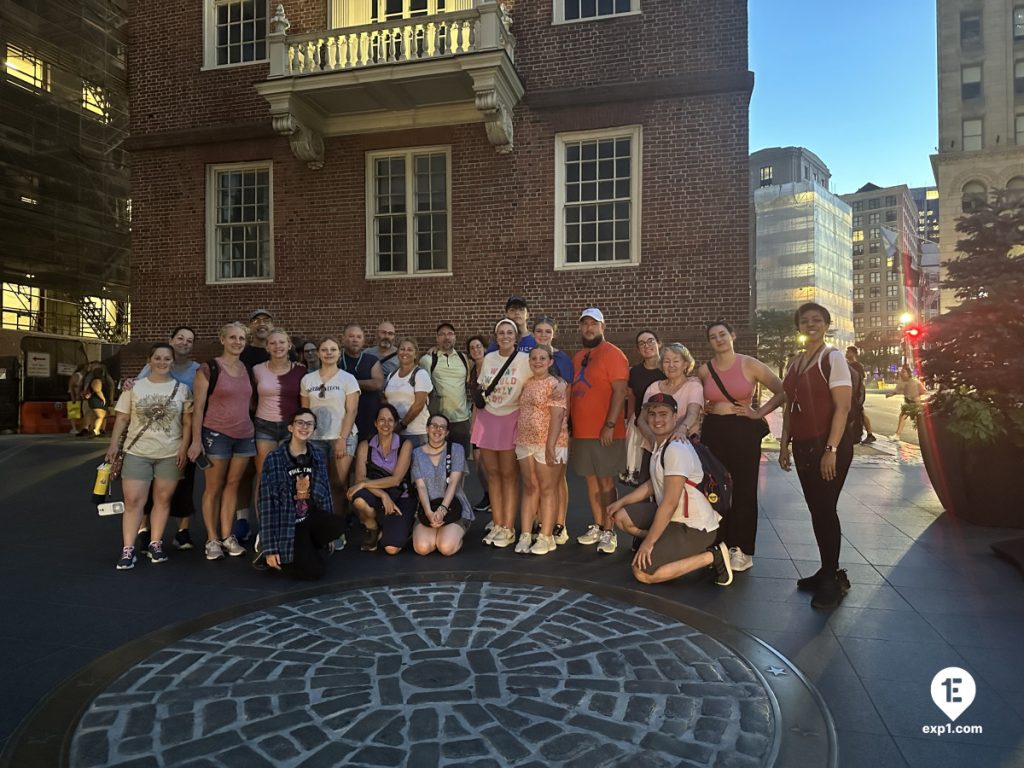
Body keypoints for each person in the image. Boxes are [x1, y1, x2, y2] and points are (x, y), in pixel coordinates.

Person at [608, 393, 733, 586]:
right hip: (672, 518)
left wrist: (648, 543)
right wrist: (622, 502)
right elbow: (653, 484)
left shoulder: (676, 449)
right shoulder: (661, 445)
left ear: (675, 417)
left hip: (693, 526)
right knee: (621, 517)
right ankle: (664, 543)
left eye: (663, 414)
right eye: (652, 414)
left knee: (643, 574)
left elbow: (670, 502)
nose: (657, 419)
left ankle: (712, 556)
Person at [779, 303, 854, 610]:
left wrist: (831, 450)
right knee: (816, 508)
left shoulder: (832, 357)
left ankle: (832, 581)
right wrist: (784, 445)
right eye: (805, 320)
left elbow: (843, 407)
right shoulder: (795, 362)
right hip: (803, 446)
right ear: (798, 325)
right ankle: (827, 570)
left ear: (826, 324)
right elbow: (789, 407)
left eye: (817, 320)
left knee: (825, 508)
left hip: (829, 445)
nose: (811, 324)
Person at [698, 321, 786, 573]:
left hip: (742, 429)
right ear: (709, 342)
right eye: (713, 337)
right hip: (714, 431)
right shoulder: (705, 370)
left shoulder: (749, 364)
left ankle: (743, 549)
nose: (719, 340)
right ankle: (719, 542)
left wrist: (758, 413)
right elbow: (697, 395)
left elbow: (782, 391)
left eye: (722, 334)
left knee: (744, 489)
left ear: (732, 336)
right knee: (716, 488)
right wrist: (704, 407)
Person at [106, 343, 193, 570]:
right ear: (149, 360)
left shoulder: (182, 389)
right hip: (137, 451)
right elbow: (123, 419)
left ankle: (155, 543)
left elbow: (187, 422)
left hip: (169, 452)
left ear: (173, 362)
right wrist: (114, 444)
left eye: (167, 359)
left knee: (163, 500)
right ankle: (128, 548)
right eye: (158, 358)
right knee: (134, 501)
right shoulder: (134, 387)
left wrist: (184, 447)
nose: (162, 362)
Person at [188, 322, 256, 561]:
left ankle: (228, 536)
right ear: (223, 340)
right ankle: (212, 539)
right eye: (233, 338)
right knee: (214, 487)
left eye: (242, 338)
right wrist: (196, 441)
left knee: (233, 486)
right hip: (216, 434)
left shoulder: (246, 369)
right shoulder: (209, 369)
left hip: (245, 435)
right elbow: (197, 408)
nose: (238, 342)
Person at [134, 326, 202, 551]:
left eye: (189, 340)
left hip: (183, 434)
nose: (184, 342)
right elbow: (137, 391)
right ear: (171, 340)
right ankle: (144, 531)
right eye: (180, 338)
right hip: (154, 435)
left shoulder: (198, 370)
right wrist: (126, 384)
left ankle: (182, 531)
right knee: (151, 484)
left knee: (184, 484)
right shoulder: (150, 366)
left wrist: (195, 439)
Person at [257, 408, 346, 579]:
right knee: (313, 572)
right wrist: (270, 548)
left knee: (338, 524)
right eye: (300, 422)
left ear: (313, 429)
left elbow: (325, 492)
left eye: (309, 424)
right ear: (290, 427)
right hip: (289, 524)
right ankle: (273, 553)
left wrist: (328, 537)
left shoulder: (318, 456)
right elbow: (266, 505)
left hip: (310, 518)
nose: (304, 427)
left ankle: (309, 547)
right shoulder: (274, 458)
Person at [571, 307, 628, 555]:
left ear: (603, 327)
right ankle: (597, 525)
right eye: (584, 324)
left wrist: (610, 424)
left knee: (606, 481)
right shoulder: (579, 356)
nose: (588, 329)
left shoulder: (613, 354)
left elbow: (620, 391)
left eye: (593, 324)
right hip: (583, 432)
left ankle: (609, 530)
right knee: (590, 480)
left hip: (605, 431)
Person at [475, 319, 533, 548]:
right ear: (496, 336)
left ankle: (509, 527)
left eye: (510, 332)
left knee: (509, 475)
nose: (505, 336)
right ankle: (498, 523)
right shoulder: (488, 358)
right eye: (501, 333)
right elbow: (482, 389)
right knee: (493, 475)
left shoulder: (524, 360)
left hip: (511, 417)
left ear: (516, 336)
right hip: (488, 418)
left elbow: (540, 376)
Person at [514, 345, 569, 555]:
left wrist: (550, 445)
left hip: (548, 442)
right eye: (534, 358)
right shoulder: (527, 383)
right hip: (525, 442)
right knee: (529, 488)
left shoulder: (555, 385)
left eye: (542, 358)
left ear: (550, 362)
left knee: (547, 489)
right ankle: (526, 533)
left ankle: (547, 536)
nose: (538, 361)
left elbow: (557, 416)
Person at [300, 336, 361, 518]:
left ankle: (338, 527)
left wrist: (342, 439)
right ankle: (322, 524)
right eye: (325, 350)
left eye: (333, 350)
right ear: (318, 353)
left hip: (342, 436)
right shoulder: (307, 380)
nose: (328, 353)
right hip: (315, 439)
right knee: (318, 484)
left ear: (339, 353)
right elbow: (304, 412)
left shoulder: (348, 379)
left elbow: (351, 411)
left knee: (338, 484)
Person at [348, 404, 415, 554]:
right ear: (375, 423)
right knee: (357, 498)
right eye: (382, 420)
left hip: (400, 496)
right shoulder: (365, 445)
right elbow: (359, 479)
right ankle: (372, 528)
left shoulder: (405, 444)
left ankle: (402, 526)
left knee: (391, 548)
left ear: (396, 423)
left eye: (390, 420)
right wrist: (383, 495)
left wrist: (365, 483)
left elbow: (396, 480)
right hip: (377, 494)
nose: (386, 424)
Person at [529, 317, 573, 543]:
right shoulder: (530, 356)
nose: (543, 334)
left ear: (553, 333)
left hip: (557, 427)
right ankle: (539, 519)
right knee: (536, 480)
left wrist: (567, 420)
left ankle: (559, 523)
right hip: (534, 429)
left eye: (547, 331)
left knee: (557, 479)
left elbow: (568, 391)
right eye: (539, 331)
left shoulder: (562, 358)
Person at [253, 329, 306, 512]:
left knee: (290, 476)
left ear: (289, 345)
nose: (278, 346)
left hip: (290, 428)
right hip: (264, 427)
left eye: (282, 342)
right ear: (267, 347)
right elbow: (250, 397)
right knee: (264, 476)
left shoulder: (300, 370)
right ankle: (264, 526)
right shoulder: (257, 370)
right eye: (273, 343)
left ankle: (288, 520)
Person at [411, 413, 474, 556]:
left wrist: (442, 510)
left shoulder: (456, 449)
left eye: (442, 427)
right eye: (434, 426)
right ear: (427, 429)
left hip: (452, 506)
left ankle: (454, 532)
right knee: (422, 548)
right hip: (428, 506)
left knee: (445, 548)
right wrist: (428, 512)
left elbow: (453, 483)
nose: (437, 430)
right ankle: (436, 532)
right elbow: (420, 486)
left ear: (446, 432)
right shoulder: (417, 453)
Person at [636, 343, 703, 453]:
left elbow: (693, 414)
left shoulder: (694, 386)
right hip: (654, 447)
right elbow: (641, 419)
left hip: (683, 444)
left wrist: (681, 431)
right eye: (667, 361)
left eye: (676, 361)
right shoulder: (653, 387)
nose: (671, 365)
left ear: (685, 364)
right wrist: (653, 439)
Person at [420, 323, 472, 454]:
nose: (446, 337)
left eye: (450, 334)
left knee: (461, 461)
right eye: (442, 334)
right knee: (437, 460)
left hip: (462, 420)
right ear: (437, 339)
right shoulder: (427, 360)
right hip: (438, 420)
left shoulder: (464, 359)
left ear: (455, 337)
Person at [622, 330, 665, 486]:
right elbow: (632, 397)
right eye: (642, 343)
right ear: (638, 349)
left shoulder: (668, 368)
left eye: (650, 341)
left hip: (664, 425)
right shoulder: (635, 372)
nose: (646, 346)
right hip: (640, 424)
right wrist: (628, 420)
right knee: (644, 474)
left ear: (659, 343)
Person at [382, 338, 433, 448]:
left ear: (415, 355)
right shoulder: (391, 376)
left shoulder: (420, 374)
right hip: (394, 432)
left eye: (410, 350)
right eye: (402, 349)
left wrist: (401, 425)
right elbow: (386, 400)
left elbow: (418, 404)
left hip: (416, 433)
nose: (405, 352)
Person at [341, 324, 386, 441]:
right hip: (342, 419)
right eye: (351, 336)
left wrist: (350, 383)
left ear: (363, 340)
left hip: (368, 418)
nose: (355, 340)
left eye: (359, 337)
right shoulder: (336, 359)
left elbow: (378, 384)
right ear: (343, 339)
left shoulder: (371, 360)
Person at [466, 334, 491, 514]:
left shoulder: (492, 367)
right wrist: (473, 422)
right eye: (472, 348)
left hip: (493, 418)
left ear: (484, 348)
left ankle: (497, 498)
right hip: (479, 416)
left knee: (490, 461)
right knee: (478, 460)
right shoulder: (472, 369)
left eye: (478, 346)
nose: (476, 350)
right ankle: (488, 494)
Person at [886, 364, 926, 441]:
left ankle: (898, 435)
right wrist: (889, 395)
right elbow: (896, 390)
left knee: (916, 420)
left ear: (909, 374)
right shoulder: (901, 382)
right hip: (908, 403)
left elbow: (923, 390)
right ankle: (897, 435)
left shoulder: (915, 381)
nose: (901, 374)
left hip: (915, 403)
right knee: (902, 417)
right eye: (901, 372)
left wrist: (916, 396)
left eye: (903, 372)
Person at [845, 346, 876, 443]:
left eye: (848, 352)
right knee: (861, 412)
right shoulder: (848, 365)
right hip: (853, 393)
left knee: (859, 412)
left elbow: (858, 381)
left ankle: (860, 434)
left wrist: (856, 395)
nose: (846, 353)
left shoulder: (857, 366)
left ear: (853, 354)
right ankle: (869, 434)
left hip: (857, 393)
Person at [83, 366, 110, 437]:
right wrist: (103, 398)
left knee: (96, 416)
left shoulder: (93, 380)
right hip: (97, 400)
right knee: (100, 416)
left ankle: (94, 430)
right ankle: (96, 430)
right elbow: (97, 390)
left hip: (94, 400)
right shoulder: (97, 380)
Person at [67, 363, 88, 435]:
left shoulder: (85, 376)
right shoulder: (77, 375)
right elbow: (71, 386)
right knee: (73, 412)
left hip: (81, 396)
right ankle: (73, 428)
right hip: (74, 396)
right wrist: (73, 397)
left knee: (81, 413)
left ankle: (81, 428)